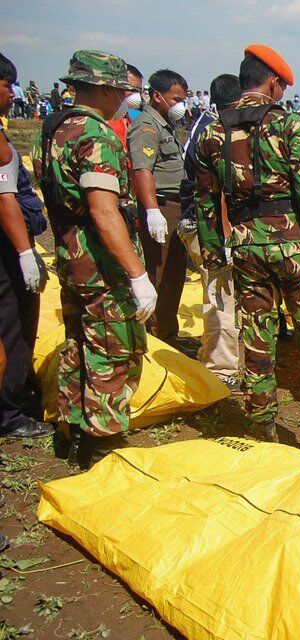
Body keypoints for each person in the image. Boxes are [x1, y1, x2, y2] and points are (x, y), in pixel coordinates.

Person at [194, 44, 300, 458]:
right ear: (272, 83)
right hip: (294, 250)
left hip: (246, 247)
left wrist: (214, 263)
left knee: (256, 339)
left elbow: (208, 205)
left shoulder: (214, 132)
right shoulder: (289, 126)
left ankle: (263, 431)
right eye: (281, 85)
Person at [33, 50, 156, 468]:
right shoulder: (95, 134)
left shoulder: (53, 129)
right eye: (121, 90)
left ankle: (73, 428)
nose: (125, 98)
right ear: (104, 88)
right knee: (113, 348)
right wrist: (137, 275)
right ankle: (101, 445)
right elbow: (104, 211)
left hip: (71, 254)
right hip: (100, 262)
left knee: (79, 344)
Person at [179, 73, 242, 388]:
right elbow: (213, 193)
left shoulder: (205, 128)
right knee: (220, 296)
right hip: (211, 229)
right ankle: (221, 370)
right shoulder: (213, 135)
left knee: (222, 294)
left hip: (210, 226)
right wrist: (224, 237)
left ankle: (220, 356)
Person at [0, 53, 50, 438]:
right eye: (7, 84)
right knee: (13, 325)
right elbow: (4, 198)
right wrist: (24, 252)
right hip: (6, 250)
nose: (11, 93)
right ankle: (10, 411)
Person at [127, 68, 195, 352]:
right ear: (157, 96)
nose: (180, 104)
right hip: (162, 208)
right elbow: (143, 170)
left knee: (174, 274)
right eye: (175, 98)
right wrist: (152, 211)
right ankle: (155, 340)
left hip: (176, 208)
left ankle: (168, 333)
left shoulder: (164, 124)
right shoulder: (147, 127)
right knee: (159, 273)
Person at [105, 64, 143, 149]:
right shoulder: (104, 119)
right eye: (131, 89)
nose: (136, 94)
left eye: (139, 90)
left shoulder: (125, 117)